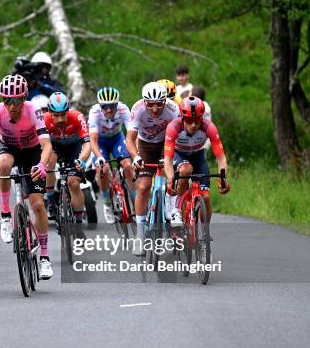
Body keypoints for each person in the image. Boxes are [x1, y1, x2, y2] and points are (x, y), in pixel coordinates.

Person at [0, 74, 54, 279]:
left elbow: (47, 145)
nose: (11, 106)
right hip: (9, 147)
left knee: (38, 205)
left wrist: (42, 164)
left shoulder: (34, 111)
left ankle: (45, 257)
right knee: (3, 165)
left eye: (16, 101)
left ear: (24, 99)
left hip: (32, 152)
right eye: (7, 100)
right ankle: (6, 215)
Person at [125, 82, 180, 255]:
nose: (155, 109)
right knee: (143, 186)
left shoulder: (173, 109)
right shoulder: (138, 109)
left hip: (167, 143)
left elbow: (179, 136)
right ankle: (140, 236)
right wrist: (136, 157)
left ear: (165, 100)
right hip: (146, 145)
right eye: (151, 104)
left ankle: (172, 220)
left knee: (172, 180)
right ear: (144, 101)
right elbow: (130, 140)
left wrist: (172, 159)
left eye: (159, 103)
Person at [164, 96, 229, 226]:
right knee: (186, 169)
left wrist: (223, 179)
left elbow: (221, 157)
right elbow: (168, 159)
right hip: (179, 154)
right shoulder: (173, 127)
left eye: (197, 120)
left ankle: (205, 232)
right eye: (189, 120)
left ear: (202, 118)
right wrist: (171, 180)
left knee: (205, 198)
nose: (193, 124)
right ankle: (176, 209)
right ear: (182, 118)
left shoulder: (209, 127)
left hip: (198, 156)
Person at [43, 92, 91, 238]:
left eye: (63, 114)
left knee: (73, 183)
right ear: (49, 112)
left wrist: (81, 160)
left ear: (68, 111)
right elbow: (41, 145)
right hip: (54, 147)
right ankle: (51, 199)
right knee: (49, 163)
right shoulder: (43, 119)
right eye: (56, 115)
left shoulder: (77, 117)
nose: (60, 119)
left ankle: (77, 224)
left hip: (73, 148)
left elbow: (87, 144)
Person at [87, 86, 134, 224]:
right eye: (105, 107)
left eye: (112, 106)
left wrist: (134, 154)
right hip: (100, 141)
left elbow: (131, 134)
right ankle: (107, 202)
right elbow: (93, 141)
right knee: (104, 168)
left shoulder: (123, 109)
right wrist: (99, 157)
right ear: (100, 106)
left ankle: (136, 198)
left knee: (127, 165)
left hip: (117, 138)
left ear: (117, 104)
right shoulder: (94, 112)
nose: (108, 110)